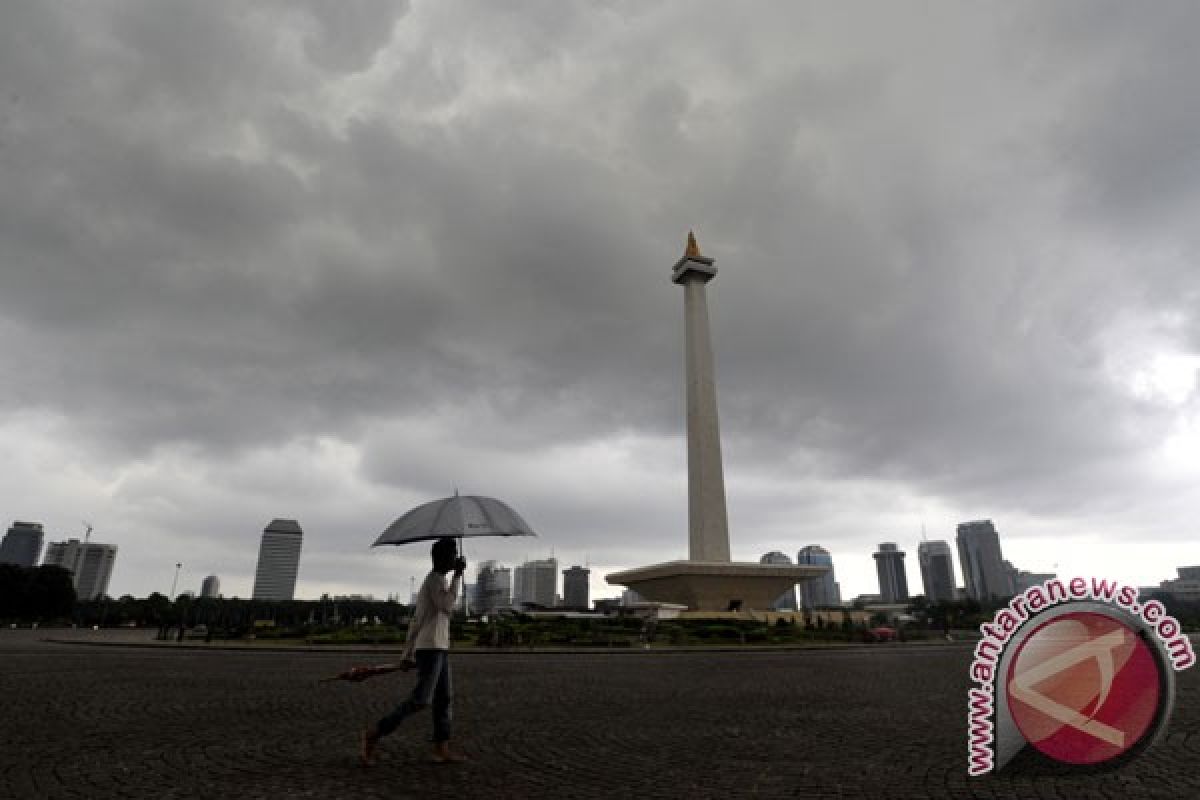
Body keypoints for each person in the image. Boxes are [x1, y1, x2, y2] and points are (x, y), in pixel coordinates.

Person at [360, 537, 467, 766]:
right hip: (430, 649)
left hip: (439, 647)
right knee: (421, 700)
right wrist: (458, 576)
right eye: (452, 553)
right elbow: (446, 606)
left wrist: (407, 651)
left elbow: (420, 619)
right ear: (441, 557)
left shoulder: (439, 580)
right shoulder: (434, 581)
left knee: (444, 699)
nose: (455, 557)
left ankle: (441, 749)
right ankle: (374, 733)